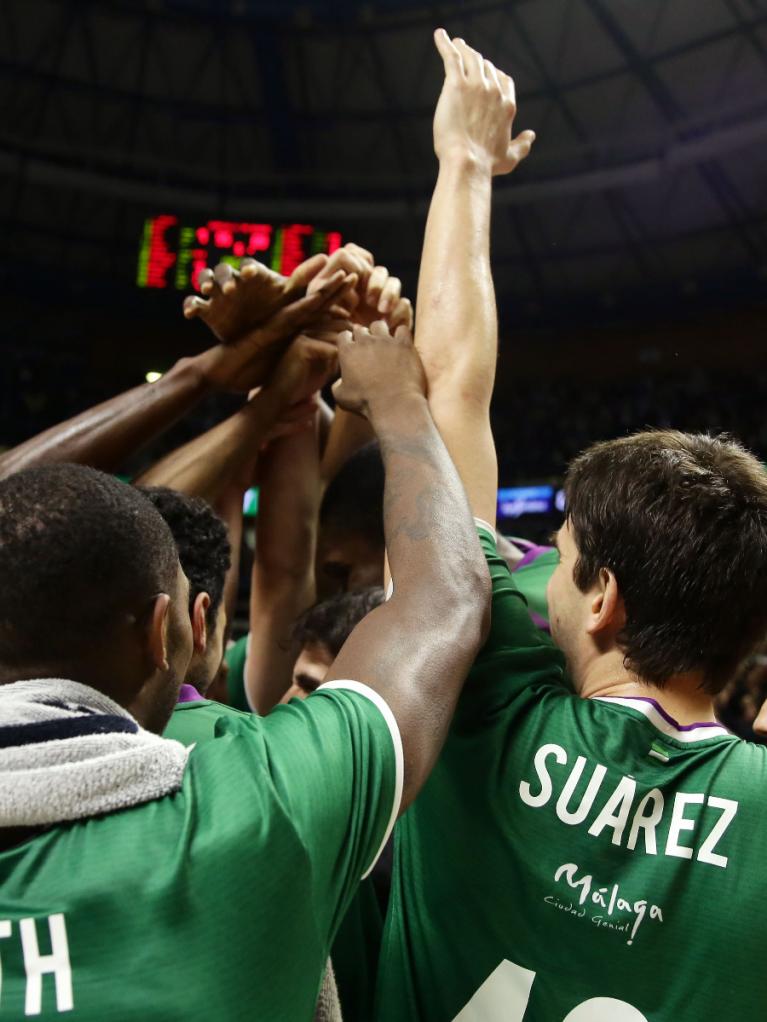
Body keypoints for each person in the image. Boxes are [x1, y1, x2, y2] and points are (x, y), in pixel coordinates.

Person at [374, 31, 767, 1022]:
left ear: (602, 598)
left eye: (560, 552)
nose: (539, 564)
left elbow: (449, 397)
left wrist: (462, 163)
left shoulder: (490, 675)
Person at [0, 314, 489, 1019]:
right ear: (170, 631)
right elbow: (444, 599)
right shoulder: (257, 798)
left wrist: (209, 383)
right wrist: (396, 397)